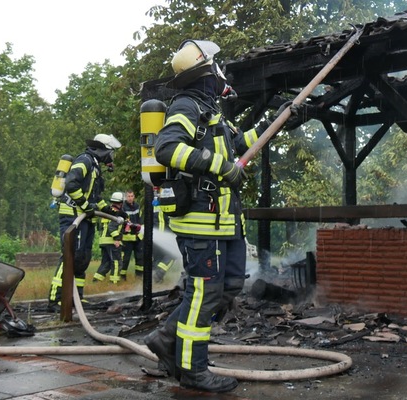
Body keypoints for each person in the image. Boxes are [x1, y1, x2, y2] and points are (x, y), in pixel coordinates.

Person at [143, 38, 297, 393]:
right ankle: (193, 369)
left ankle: (167, 339)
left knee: (227, 289)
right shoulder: (186, 105)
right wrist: (218, 166)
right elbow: (166, 147)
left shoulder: (213, 114)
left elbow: (241, 144)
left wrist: (280, 120)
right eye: (217, 66)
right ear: (206, 71)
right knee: (203, 293)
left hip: (225, 223)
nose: (221, 71)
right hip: (201, 223)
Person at [48, 133, 122, 309]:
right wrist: (86, 206)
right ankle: (56, 298)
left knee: (82, 258)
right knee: (70, 255)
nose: (111, 156)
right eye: (110, 151)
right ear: (103, 149)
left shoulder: (95, 167)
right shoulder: (85, 160)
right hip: (74, 215)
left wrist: (109, 211)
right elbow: (72, 184)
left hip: (85, 217)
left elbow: (95, 197)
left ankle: (76, 298)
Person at [93, 192, 125, 284]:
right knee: (116, 262)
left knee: (105, 263)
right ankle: (114, 283)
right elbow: (112, 227)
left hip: (103, 241)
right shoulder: (117, 213)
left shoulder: (106, 212)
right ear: (120, 203)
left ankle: (96, 280)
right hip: (112, 242)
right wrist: (117, 239)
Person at [120, 189, 144, 280]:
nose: (130, 198)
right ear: (126, 197)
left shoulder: (137, 206)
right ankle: (122, 276)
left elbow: (141, 219)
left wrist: (139, 228)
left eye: (132, 196)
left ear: (134, 197)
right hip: (127, 238)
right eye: (128, 196)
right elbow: (124, 222)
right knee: (125, 258)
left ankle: (139, 276)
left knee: (140, 257)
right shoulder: (123, 207)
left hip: (138, 237)